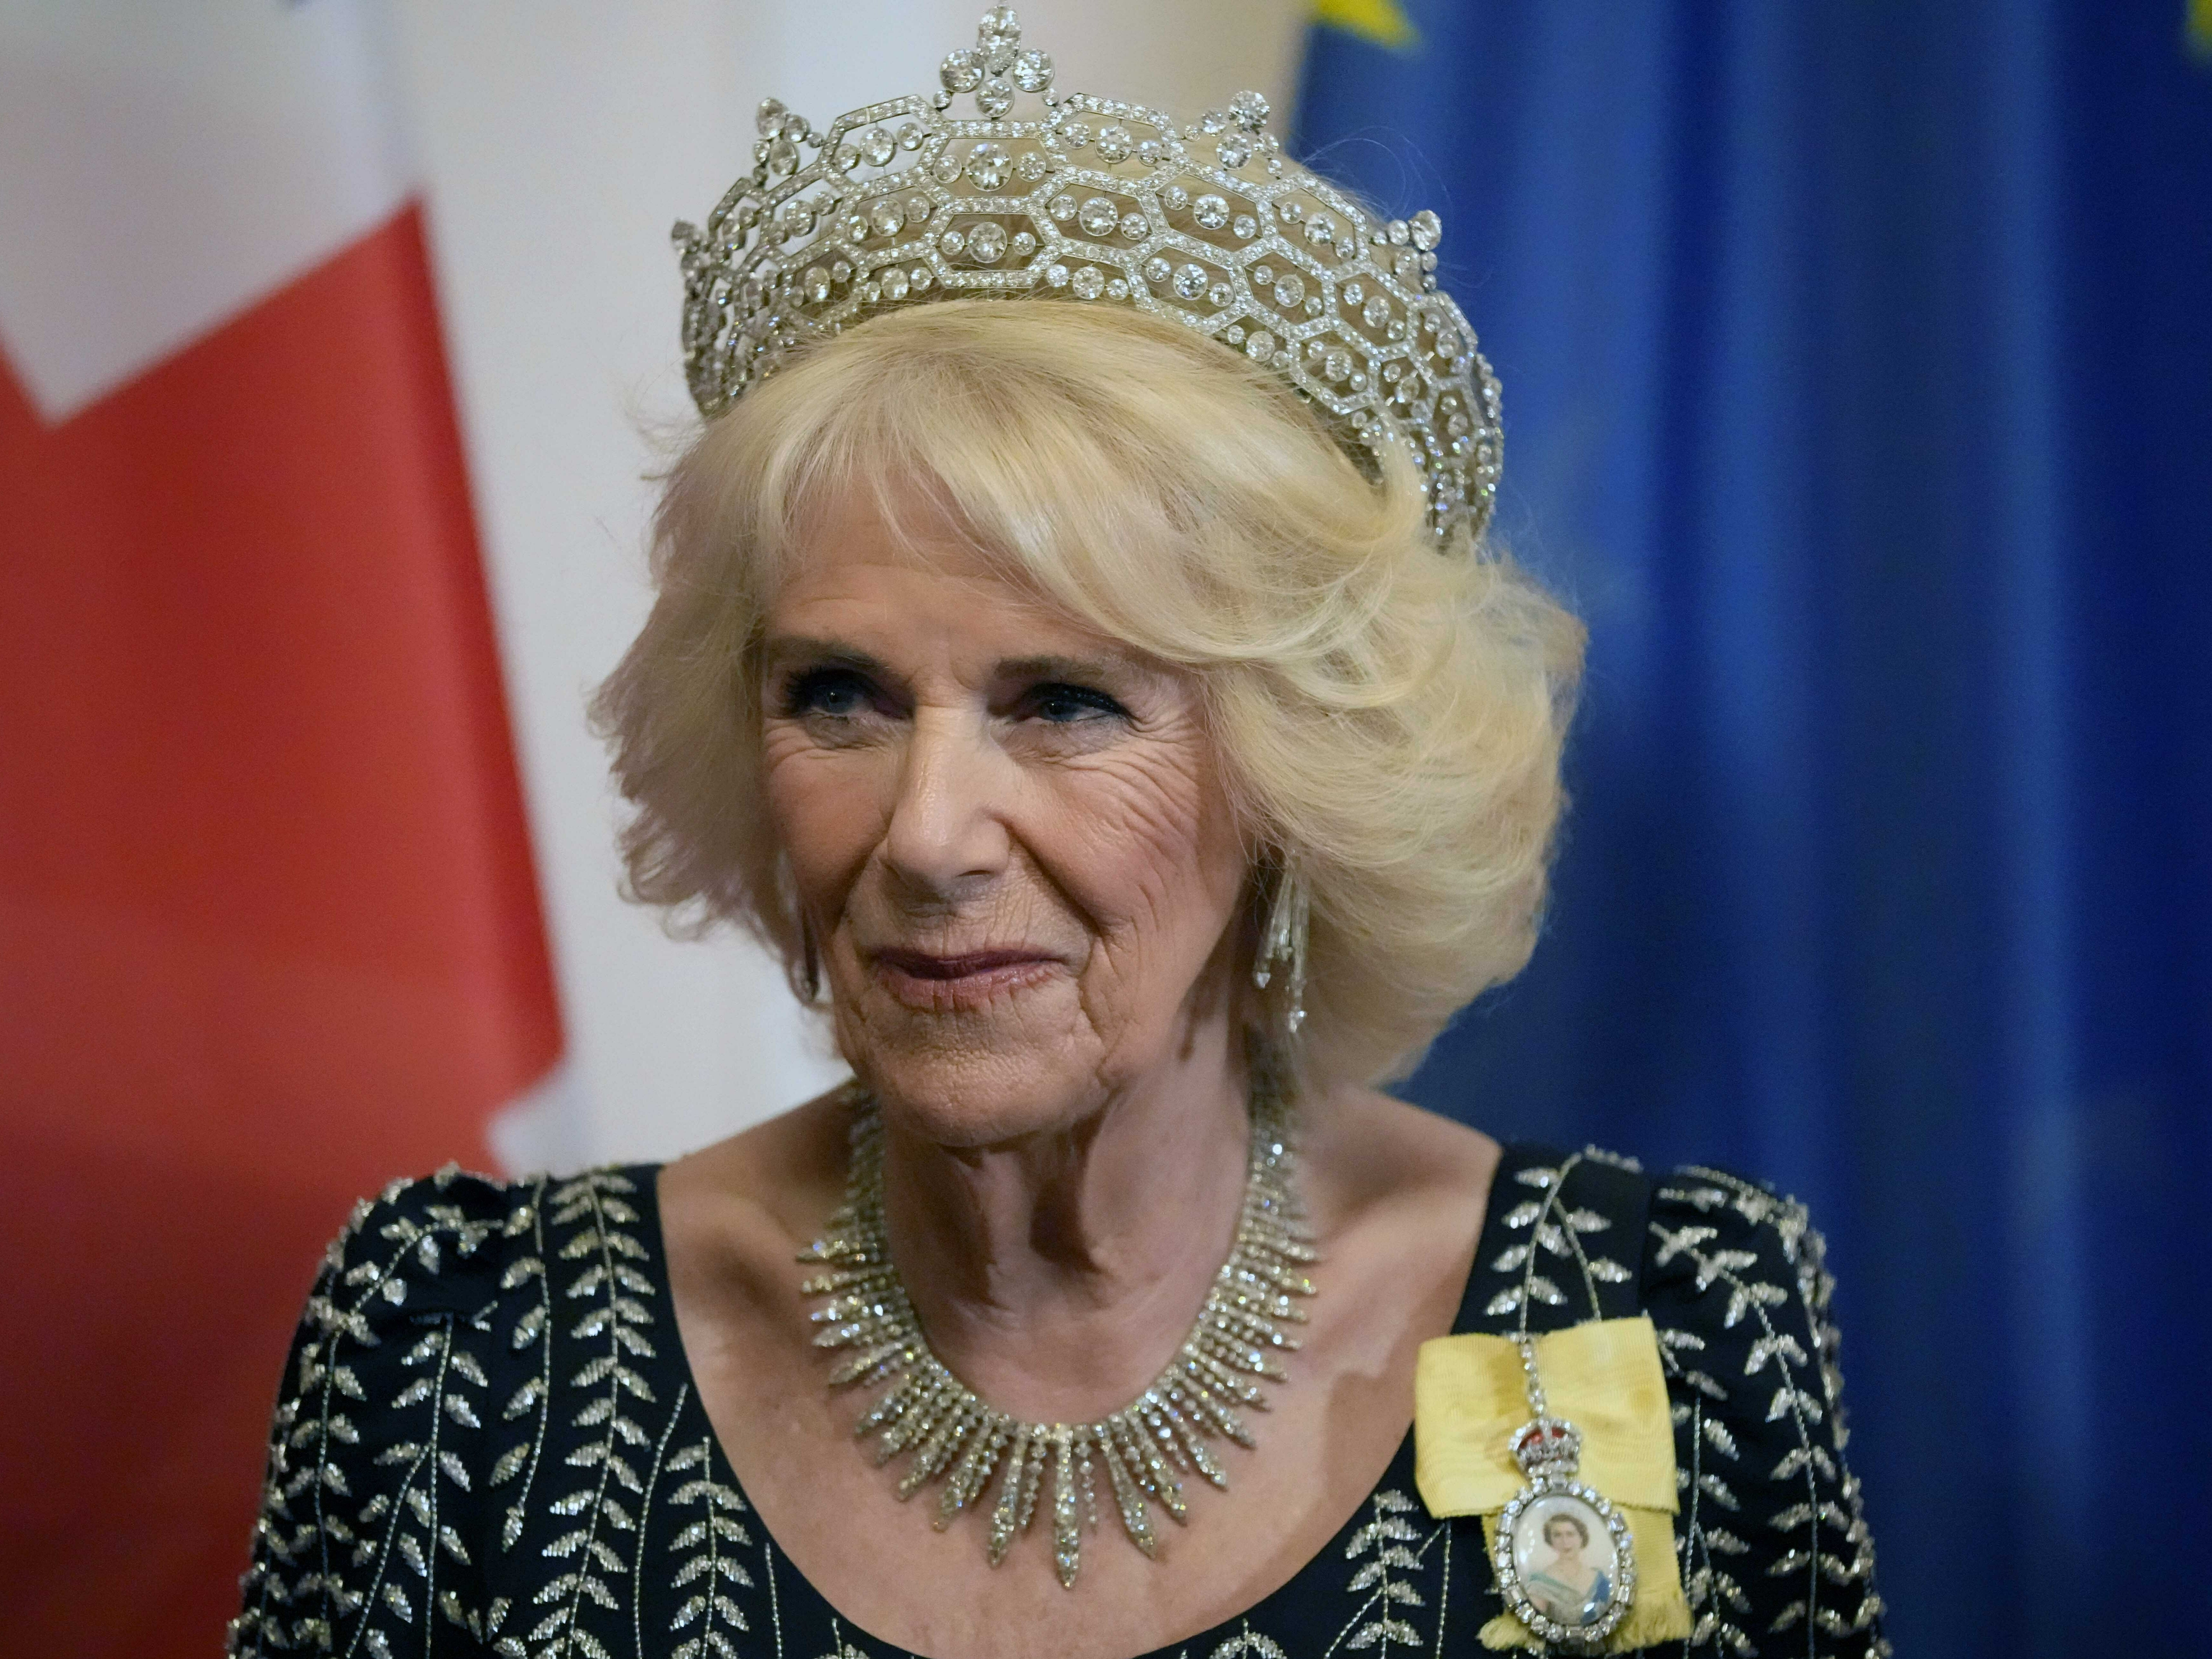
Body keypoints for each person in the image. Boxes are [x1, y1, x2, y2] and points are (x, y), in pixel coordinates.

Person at [229, 12, 1885, 1657]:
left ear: (1300, 781)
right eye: (839, 695)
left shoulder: (1660, 1325)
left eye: (1065, 704)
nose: (928, 832)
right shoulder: (461, 1357)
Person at [1525, 1510, 1612, 1629]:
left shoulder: (1600, 1580)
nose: (1565, 1542)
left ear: (1581, 1538)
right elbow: (1536, 1623)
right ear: (1551, 1541)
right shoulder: (1541, 1583)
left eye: (1570, 1534)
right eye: (1558, 1535)